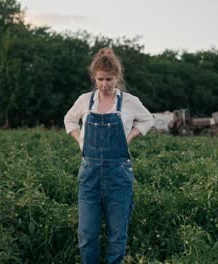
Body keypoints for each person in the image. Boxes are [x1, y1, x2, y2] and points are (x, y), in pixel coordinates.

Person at [64, 47, 155, 264]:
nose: (105, 84)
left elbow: (148, 119)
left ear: (117, 78)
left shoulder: (129, 101)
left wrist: (130, 136)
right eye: (101, 79)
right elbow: (69, 119)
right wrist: (80, 140)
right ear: (94, 79)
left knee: (117, 236)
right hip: (90, 176)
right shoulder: (85, 100)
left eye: (109, 79)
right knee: (86, 235)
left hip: (119, 175)